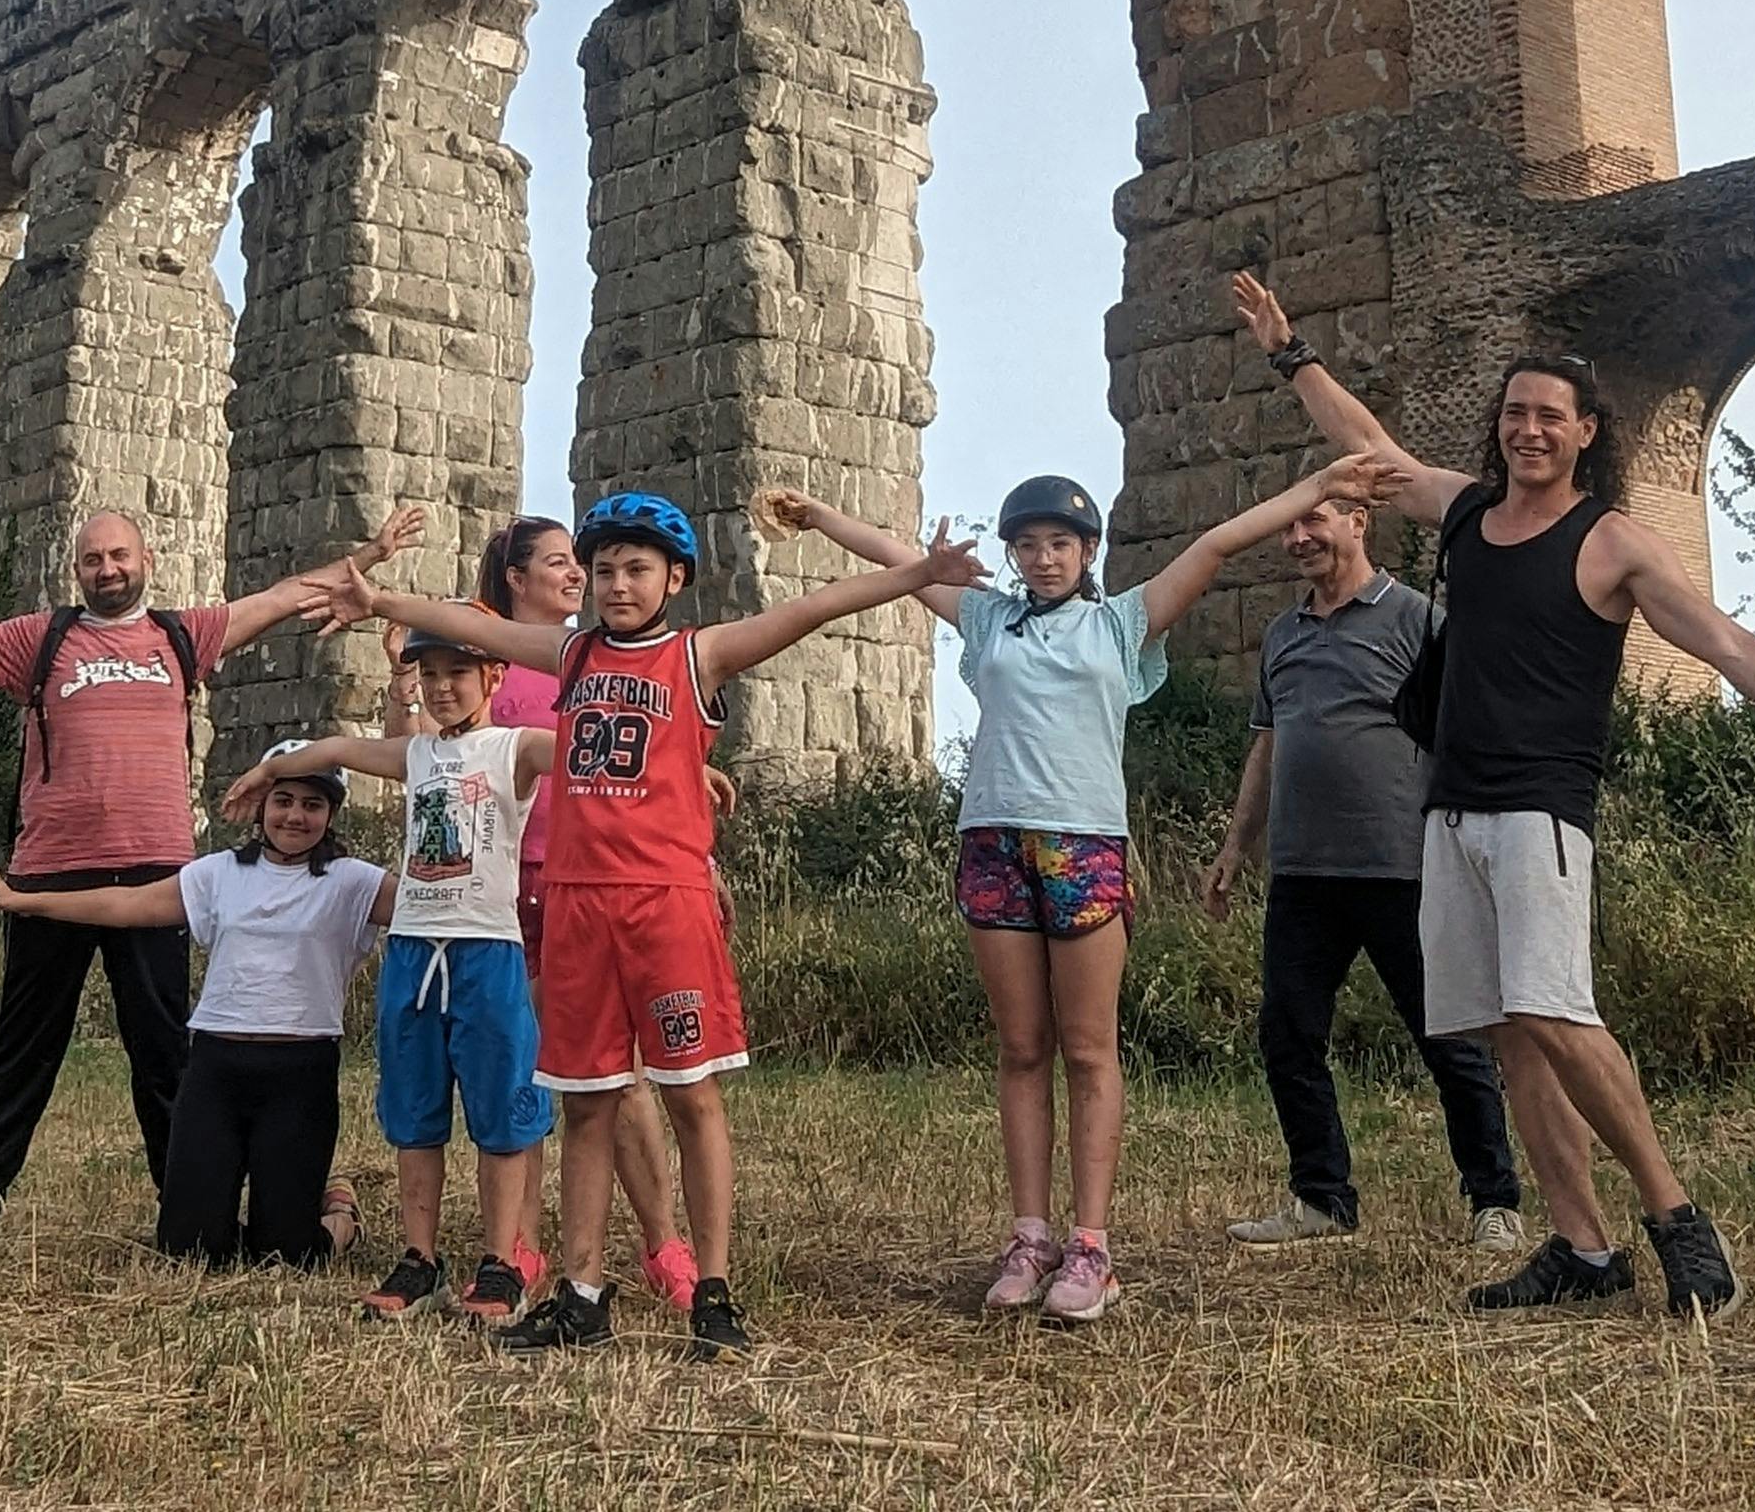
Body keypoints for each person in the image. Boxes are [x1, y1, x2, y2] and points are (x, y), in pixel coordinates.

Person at [1230, 271, 1755, 1320]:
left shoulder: (1612, 542)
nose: (1527, 430)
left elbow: (1728, 645)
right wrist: (1289, 350)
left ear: (1584, 433)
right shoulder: (1470, 516)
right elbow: (1373, 453)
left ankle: (1677, 1222)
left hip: (1540, 814)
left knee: (1557, 1014)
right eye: (1514, 413)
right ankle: (1581, 1245)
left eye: (1547, 417)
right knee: (1506, 1031)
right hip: (1449, 814)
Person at [347, 490, 983, 1361]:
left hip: (665, 902)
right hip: (575, 902)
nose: (615, 583)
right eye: (603, 569)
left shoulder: (698, 653)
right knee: (587, 1105)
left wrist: (922, 574)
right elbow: (480, 628)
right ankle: (580, 1290)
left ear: (674, 578)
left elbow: (813, 608)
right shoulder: (570, 654)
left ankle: (712, 1290)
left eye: (636, 569)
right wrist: (379, 601)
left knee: (691, 1096)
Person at [767, 452, 1397, 1324]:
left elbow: (1216, 543)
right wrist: (818, 516)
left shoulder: (1120, 624)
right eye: (1026, 544)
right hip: (993, 839)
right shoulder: (989, 622)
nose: (1042, 558)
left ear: (1089, 549)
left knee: (1089, 1048)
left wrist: (1317, 492)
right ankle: (1030, 1236)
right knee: (1022, 1048)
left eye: (1059, 542)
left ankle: (1092, 1245)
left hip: (1086, 845)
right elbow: (896, 558)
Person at [0, 501, 422, 1244]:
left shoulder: (181, 634)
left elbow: (290, 593)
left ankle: (182, 1195)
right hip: (49, 873)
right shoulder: (41, 639)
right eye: (94, 560)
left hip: (156, 869)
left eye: (119, 557)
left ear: (146, 561)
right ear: (78, 571)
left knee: (163, 1047)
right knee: (23, 1045)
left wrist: (374, 553)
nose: (108, 570)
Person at [1199, 464, 1525, 1258]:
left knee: (1449, 1036)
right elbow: (1267, 744)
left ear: (1359, 523)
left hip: (1405, 867)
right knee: (1288, 1033)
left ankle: (1495, 1201)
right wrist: (1235, 847)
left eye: (1318, 521)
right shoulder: (1283, 634)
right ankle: (1321, 1197)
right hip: (1302, 873)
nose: (1300, 537)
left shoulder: (1419, 622)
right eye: (1291, 526)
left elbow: (1469, 731)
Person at [228, 630, 554, 1323]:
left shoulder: (513, 748)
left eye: (457, 672)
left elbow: (583, 752)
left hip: (485, 949)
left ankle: (500, 1261)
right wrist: (266, 775)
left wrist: (679, 767)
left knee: (501, 1115)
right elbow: (340, 751)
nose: (441, 686)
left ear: (493, 673)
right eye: (430, 673)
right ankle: (419, 1257)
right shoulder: (417, 753)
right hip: (414, 948)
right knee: (415, 1114)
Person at [0, 759, 390, 1267]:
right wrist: (31, 903)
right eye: (283, 801)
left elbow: (432, 899)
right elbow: (125, 905)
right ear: (261, 806)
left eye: (313, 805)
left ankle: (341, 1215)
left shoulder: (354, 882)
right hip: (217, 1068)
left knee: (287, 1257)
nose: (295, 817)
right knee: (189, 1249)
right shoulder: (219, 873)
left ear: (331, 815)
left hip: (300, 1070)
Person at [472, 517, 701, 1313]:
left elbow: (654, 759)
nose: (582, 578)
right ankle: (523, 1248)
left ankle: (664, 1241)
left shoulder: (600, 656)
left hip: (590, 883)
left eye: (590, 565)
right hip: (505, 885)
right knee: (532, 1068)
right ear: (515, 576)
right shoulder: (485, 657)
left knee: (621, 1077)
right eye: (565, 564)